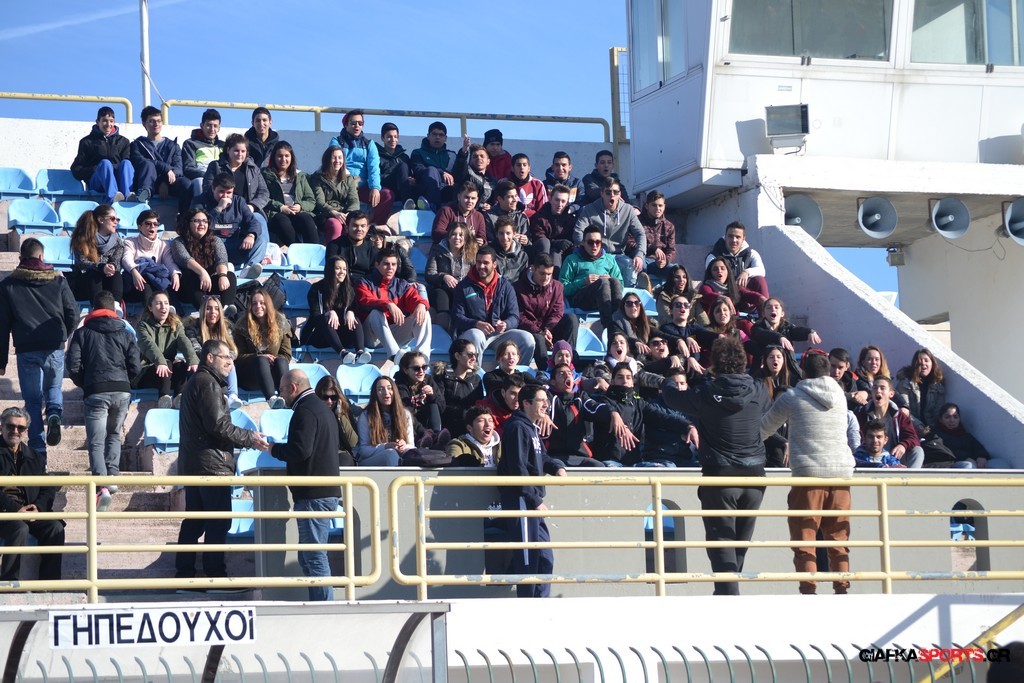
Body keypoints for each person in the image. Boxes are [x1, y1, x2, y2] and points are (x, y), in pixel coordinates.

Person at [661, 336, 770, 596]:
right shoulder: (759, 390)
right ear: (742, 362)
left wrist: (669, 376)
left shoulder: (705, 393)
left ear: (715, 364)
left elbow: (671, 397)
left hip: (720, 478)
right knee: (740, 544)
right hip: (755, 477)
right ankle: (726, 593)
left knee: (721, 541)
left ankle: (728, 598)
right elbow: (764, 397)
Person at [176, 339, 268, 590]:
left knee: (195, 521)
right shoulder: (208, 383)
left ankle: (184, 577)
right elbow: (218, 425)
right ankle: (215, 576)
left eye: (231, 358)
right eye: (225, 357)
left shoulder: (199, 382)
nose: (230, 362)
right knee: (217, 522)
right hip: (211, 465)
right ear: (210, 358)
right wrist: (250, 438)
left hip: (197, 463)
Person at [760, 351, 854, 595]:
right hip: (841, 475)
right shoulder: (840, 396)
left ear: (803, 372)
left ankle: (808, 591)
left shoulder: (792, 397)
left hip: (809, 475)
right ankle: (842, 590)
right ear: (828, 371)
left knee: (805, 541)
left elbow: (764, 429)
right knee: (839, 540)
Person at [0, 237, 78, 455]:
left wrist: (2, 361)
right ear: (42, 256)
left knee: (32, 401)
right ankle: (53, 414)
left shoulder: (8, 285)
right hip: (54, 346)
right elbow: (73, 313)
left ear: (20, 258)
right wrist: (63, 335)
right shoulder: (59, 281)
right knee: (53, 388)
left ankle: (38, 448)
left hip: (27, 348)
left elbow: (2, 325)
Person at [272, 369, 341, 601]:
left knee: (314, 556)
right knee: (308, 557)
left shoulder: (305, 410)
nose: (281, 395)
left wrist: (273, 449)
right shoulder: (322, 409)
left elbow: (299, 450)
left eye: (282, 389)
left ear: (293, 387)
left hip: (313, 494)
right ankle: (320, 604)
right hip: (322, 491)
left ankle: (325, 609)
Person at [67, 290, 141, 505]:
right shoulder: (126, 332)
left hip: (96, 390)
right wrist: (126, 382)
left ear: (93, 309)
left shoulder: (82, 333)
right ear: (114, 310)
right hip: (122, 390)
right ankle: (113, 477)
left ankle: (102, 487)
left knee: (96, 441)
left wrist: (87, 383)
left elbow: (73, 366)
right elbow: (136, 367)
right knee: (114, 434)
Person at [498, 384, 567, 598]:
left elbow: (541, 457)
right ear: (527, 403)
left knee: (545, 558)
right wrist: (534, 499)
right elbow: (517, 467)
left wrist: (557, 467)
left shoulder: (530, 428)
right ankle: (528, 605)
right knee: (527, 559)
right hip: (522, 499)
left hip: (532, 500)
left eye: (547, 400)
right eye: (541, 400)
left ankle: (540, 602)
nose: (546, 404)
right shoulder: (517, 427)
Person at [0, 406, 65, 583]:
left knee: (55, 528)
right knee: (19, 528)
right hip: (4, 513)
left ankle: (48, 586)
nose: (15, 431)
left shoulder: (35, 456)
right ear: (1, 427)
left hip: (28, 512)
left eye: (20, 428)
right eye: (10, 426)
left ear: (26, 431)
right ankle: (9, 584)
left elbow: (48, 487)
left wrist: (38, 508)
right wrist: (16, 509)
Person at [588, 363, 697, 467]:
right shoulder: (604, 401)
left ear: (632, 382)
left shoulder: (639, 403)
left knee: (664, 468)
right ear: (612, 381)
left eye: (628, 377)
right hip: (610, 462)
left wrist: (688, 426)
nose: (625, 380)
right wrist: (613, 413)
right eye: (620, 377)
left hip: (634, 463)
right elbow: (598, 408)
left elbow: (663, 418)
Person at [452, 246, 535, 363]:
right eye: (478, 262)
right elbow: (457, 317)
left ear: (494, 264)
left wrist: (506, 324)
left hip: (498, 335)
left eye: (486, 263)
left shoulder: (505, 286)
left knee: (527, 339)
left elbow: (515, 316)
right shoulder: (464, 286)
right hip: (471, 332)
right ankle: (475, 373)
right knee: (477, 335)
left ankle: (517, 373)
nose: (481, 266)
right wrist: (476, 324)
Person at [354, 246, 431, 361]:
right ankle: (394, 355)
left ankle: (422, 355)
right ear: (377, 264)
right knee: (376, 313)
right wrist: (388, 304)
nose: (390, 268)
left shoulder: (402, 284)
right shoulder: (363, 282)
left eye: (394, 264)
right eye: (386, 264)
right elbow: (365, 301)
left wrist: (421, 304)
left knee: (423, 312)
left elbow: (414, 298)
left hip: (395, 332)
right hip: (371, 336)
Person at [573, 176, 647, 288]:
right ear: (602, 193)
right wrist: (588, 248)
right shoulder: (589, 209)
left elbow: (640, 233)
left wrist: (640, 254)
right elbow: (578, 231)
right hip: (596, 255)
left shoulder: (628, 210)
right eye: (608, 192)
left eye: (615, 192)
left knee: (631, 265)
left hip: (618, 255)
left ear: (619, 194)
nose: (612, 195)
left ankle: (628, 295)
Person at [193, 173, 267, 279]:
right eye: (221, 192)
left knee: (260, 237)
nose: (225, 196)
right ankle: (223, 269)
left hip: (233, 244)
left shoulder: (239, 202)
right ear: (213, 188)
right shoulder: (200, 201)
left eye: (229, 193)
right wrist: (218, 208)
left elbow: (253, 222)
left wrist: (251, 235)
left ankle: (249, 268)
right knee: (213, 241)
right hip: (211, 246)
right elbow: (198, 225)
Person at [329, 109, 394, 226]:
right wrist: (349, 181)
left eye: (360, 123)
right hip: (343, 185)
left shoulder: (369, 144)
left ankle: (373, 227)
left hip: (362, 186)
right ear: (346, 124)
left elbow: (374, 167)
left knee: (387, 195)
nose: (357, 126)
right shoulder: (337, 141)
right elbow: (334, 163)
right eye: (353, 123)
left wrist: (374, 187)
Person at [135, 291, 198, 409]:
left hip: (168, 372)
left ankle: (180, 397)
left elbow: (184, 342)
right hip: (148, 370)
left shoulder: (176, 325)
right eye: (159, 303)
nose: (163, 307)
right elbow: (149, 345)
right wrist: (160, 362)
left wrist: (193, 360)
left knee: (181, 365)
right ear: (150, 307)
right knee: (168, 363)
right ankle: (164, 398)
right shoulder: (143, 326)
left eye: (166, 303)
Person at [303, 256, 370, 364]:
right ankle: (342, 353)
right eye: (338, 268)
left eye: (344, 269)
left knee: (355, 319)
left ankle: (360, 352)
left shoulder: (349, 289)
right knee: (326, 319)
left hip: (342, 335)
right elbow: (315, 316)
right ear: (330, 270)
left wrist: (351, 312)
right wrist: (328, 313)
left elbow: (354, 307)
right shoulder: (317, 289)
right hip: (322, 335)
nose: (342, 272)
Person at [515, 253, 578, 368]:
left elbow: (557, 312)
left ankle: (568, 364)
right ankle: (546, 371)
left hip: (550, 330)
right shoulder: (517, 288)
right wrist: (540, 331)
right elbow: (520, 316)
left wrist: (546, 329)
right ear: (533, 269)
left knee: (571, 319)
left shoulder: (557, 286)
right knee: (538, 338)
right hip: (531, 332)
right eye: (542, 273)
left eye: (549, 274)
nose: (546, 278)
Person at [233, 287, 292, 409]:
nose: (258, 306)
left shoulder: (280, 322)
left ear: (268, 304)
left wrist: (274, 359)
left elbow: (286, 354)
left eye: (262, 303)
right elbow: (238, 357)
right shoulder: (242, 325)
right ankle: (271, 399)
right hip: (250, 375)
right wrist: (258, 356)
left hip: (273, 374)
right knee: (261, 360)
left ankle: (285, 397)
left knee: (281, 361)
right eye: (254, 303)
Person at [171, 208, 238, 310]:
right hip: (189, 289)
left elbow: (221, 260)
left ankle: (225, 310)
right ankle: (205, 311)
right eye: (197, 221)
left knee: (229, 275)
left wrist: (222, 275)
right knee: (189, 274)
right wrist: (202, 272)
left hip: (208, 284)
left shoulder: (215, 240)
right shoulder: (178, 242)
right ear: (188, 223)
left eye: (205, 221)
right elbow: (185, 259)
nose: (202, 224)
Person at [184, 295, 243, 410]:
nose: (213, 312)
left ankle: (232, 395)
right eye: (208, 308)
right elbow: (196, 350)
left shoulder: (225, 328)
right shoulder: (193, 328)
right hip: (203, 365)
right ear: (202, 311)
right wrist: (218, 359)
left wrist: (226, 358)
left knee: (230, 363)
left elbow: (232, 350)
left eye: (216, 309)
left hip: (220, 365)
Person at [560, 225, 624, 329]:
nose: (594, 246)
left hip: (606, 298)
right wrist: (583, 281)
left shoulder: (609, 259)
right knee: (603, 283)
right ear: (583, 243)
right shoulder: (572, 260)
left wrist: (609, 279)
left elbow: (620, 284)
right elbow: (562, 288)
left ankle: (620, 321)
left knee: (614, 280)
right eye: (590, 242)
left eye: (598, 242)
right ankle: (608, 326)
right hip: (581, 299)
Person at [202, 133, 270, 230]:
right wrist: (221, 204)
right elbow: (208, 188)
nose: (240, 154)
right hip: (222, 210)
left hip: (249, 210)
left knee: (259, 223)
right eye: (236, 151)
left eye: (243, 151)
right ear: (228, 150)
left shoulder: (253, 168)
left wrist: (253, 206)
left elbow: (263, 192)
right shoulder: (215, 166)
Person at [854, 376, 925, 468]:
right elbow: (856, 438)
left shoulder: (899, 415)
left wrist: (903, 445)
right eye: (875, 388)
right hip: (868, 457)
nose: (878, 391)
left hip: (893, 457)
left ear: (891, 394)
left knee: (918, 451)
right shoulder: (862, 413)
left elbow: (913, 438)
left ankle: (908, 477)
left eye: (882, 388)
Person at [71, 106, 133, 205]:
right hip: (97, 184)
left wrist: (113, 168)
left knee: (126, 163)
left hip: (118, 183)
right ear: (97, 122)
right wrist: (96, 169)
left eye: (111, 121)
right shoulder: (87, 142)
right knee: (105, 163)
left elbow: (127, 168)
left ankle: (128, 197)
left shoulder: (123, 141)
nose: (108, 124)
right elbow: (76, 169)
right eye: (104, 121)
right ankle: (113, 198)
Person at [262, 141, 319, 245]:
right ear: (274, 157)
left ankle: (315, 250)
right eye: (280, 156)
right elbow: (263, 197)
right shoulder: (266, 175)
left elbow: (311, 200)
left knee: (307, 220)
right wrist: (281, 207)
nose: (283, 159)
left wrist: (300, 206)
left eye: (287, 156)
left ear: (291, 157)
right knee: (283, 221)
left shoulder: (300, 176)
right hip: (276, 213)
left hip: (297, 212)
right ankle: (298, 250)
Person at [129, 106, 188, 205]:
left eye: (159, 121)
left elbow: (178, 168)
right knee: (148, 164)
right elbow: (140, 162)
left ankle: (185, 214)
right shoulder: (137, 145)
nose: (156, 124)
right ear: (144, 124)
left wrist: (164, 182)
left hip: (168, 182)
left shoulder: (173, 146)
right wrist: (165, 168)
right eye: (151, 121)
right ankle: (143, 198)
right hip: (147, 181)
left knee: (186, 184)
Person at [121, 209, 182, 303]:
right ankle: (150, 309)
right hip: (135, 284)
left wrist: (175, 274)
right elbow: (126, 258)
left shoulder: (163, 245)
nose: (152, 226)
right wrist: (134, 272)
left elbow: (169, 263)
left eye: (155, 224)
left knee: (163, 283)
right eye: (148, 223)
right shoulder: (130, 241)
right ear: (139, 226)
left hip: (156, 283)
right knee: (145, 278)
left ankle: (170, 309)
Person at [425, 221, 476, 332]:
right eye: (453, 234)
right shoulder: (437, 250)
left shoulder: (471, 253)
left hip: (462, 289)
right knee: (443, 308)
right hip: (441, 288)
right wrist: (444, 276)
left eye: (461, 235)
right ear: (448, 237)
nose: (457, 238)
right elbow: (429, 274)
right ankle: (442, 337)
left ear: (466, 238)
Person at [749, 297, 821, 375]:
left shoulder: (787, 328)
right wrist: (779, 338)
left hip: (787, 370)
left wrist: (810, 332)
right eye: (769, 308)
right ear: (763, 313)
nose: (773, 309)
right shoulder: (757, 328)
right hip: (762, 371)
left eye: (776, 307)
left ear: (782, 313)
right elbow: (763, 334)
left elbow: (796, 331)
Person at [69, 204, 125, 302]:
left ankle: (116, 306)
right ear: (101, 220)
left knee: (116, 274)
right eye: (112, 219)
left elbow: (116, 261)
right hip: (85, 283)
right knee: (93, 273)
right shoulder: (83, 238)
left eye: (117, 219)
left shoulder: (117, 240)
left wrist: (112, 266)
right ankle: (98, 307)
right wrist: (101, 267)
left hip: (106, 281)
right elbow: (82, 263)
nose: (116, 222)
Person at [356, 376, 415, 466]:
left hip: (399, 456)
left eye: (389, 388)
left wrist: (404, 446)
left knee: (412, 454)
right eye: (380, 389)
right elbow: (363, 450)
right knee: (390, 454)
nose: (386, 392)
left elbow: (411, 445)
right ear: (375, 394)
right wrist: (385, 446)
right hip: (370, 460)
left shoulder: (405, 414)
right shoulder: (366, 416)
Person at [704, 221, 769, 301]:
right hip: (724, 293)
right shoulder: (713, 256)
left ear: (743, 239)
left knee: (759, 280)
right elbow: (711, 277)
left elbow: (761, 271)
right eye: (730, 236)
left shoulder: (751, 253)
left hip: (744, 291)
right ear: (725, 237)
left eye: (738, 237)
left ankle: (766, 307)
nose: (734, 240)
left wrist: (746, 272)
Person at [394, 351, 448, 445]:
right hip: (411, 427)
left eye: (424, 367)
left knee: (433, 403)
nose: (421, 371)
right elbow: (407, 412)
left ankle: (436, 434)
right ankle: (426, 437)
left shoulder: (428, 380)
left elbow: (442, 407)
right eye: (416, 368)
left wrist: (433, 395)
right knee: (406, 412)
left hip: (427, 423)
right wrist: (423, 431)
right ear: (406, 370)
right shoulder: (400, 385)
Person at [311, 145, 361, 243]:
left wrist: (349, 214)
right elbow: (320, 202)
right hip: (325, 214)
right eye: (334, 158)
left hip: (344, 213)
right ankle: (332, 251)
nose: (337, 161)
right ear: (327, 159)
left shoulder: (348, 178)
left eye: (340, 157)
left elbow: (354, 200)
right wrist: (334, 212)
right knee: (335, 225)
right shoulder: (317, 178)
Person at [895, 348, 946, 438]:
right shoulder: (905, 384)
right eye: (919, 361)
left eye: (926, 360)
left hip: (932, 429)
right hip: (911, 429)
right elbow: (904, 410)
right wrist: (919, 427)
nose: (923, 363)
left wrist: (932, 429)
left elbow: (938, 412)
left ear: (932, 363)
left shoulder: (937, 386)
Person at [437, 339, 485, 434]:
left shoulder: (476, 379)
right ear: (457, 356)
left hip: (470, 426)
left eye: (476, 355)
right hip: (449, 425)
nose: (474, 358)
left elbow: (479, 405)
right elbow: (440, 405)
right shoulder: (443, 377)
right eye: (470, 355)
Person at [409, 121, 457, 211]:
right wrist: (442, 172)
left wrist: (463, 154)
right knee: (431, 170)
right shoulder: (418, 153)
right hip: (425, 187)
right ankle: (432, 208)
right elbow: (418, 169)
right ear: (428, 136)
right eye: (434, 134)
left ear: (445, 138)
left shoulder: (452, 155)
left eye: (441, 135)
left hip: (446, 189)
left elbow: (460, 172)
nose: (437, 137)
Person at [699, 256, 767, 317]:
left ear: (728, 272)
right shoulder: (706, 287)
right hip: (715, 322)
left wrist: (762, 299)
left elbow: (747, 294)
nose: (719, 271)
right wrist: (723, 298)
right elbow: (707, 295)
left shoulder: (733, 287)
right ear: (710, 273)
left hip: (733, 321)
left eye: (722, 268)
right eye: (715, 269)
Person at [529, 184, 577, 269]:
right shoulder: (539, 217)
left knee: (556, 252)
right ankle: (542, 270)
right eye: (557, 200)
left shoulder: (571, 219)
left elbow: (572, 240)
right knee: (546, 243)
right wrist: (555, 242)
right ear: (550, 199)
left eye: (563, 201)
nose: (559, 204)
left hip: (562, 253)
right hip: (541, 252)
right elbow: (538, 238)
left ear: (567, 203)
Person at [182, 108, 224, 203]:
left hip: (221, 179)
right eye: (209, 125)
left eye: (215, 126)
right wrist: (208, 176)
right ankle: (200, 209)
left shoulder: (223, 146)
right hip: (201, 178)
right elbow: (188, 168)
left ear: (219, 128)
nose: (212, 129)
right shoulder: (190, 143)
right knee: (200, 182)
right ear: (202, 125)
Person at [315, 375, 358, 467]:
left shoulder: (345, 411)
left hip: (340, 453)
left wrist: (340, 416)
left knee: (345, 460)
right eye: (325, 397)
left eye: (333, 397)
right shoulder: (313, 413)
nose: (329, 401)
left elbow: (352, 442)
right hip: (320, 454)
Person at [934, 403, 991, 468]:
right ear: (940, 419)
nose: (952, 420)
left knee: (996, 463)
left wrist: (982, 457)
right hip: (949, 464)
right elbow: (943, 452)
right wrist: (965, 457)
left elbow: (979, 449)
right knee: (968, 465)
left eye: (955, 417)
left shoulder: (966, 436)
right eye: (947, 417)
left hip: (972, 462)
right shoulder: (935, 435)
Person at [325, 210, 377, 281]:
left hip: (363, 285)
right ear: (346, 228)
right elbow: (331, 272)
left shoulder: (372, 249)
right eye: (355, 226)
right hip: (341, 283)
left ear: (367, 228)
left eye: (363, 226)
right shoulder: (334, 246)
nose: (359, 229)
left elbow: (374, 275)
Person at [637, 190, 676, 278]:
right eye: (654, 205)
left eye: (660, 205)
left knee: (676, 271)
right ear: (647, 206)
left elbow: (671, 250)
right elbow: (630, 243)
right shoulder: (636, 222)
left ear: (664, 206)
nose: (658, 208)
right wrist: (653, 248)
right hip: (642, 259)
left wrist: (665, 261)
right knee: (641, 265)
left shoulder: (669, 226)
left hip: (659, 263)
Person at [376, 122, 415, 205]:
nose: (393, 140)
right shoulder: (377, 157)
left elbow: (409, 175)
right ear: (382, 138)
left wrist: (411, 179)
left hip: (403, 188)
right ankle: (408, 202)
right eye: (389, 137)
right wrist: (397, 177)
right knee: (402, 166)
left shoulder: (404, 157)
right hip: (387, 187)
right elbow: (376, 177)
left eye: (395, 137)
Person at [485, 180, 531, 245]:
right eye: (510, 197)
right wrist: (509, 239)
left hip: (518, 250)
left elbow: (528, 244)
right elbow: (489, 242)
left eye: (516, 196)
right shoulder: (489, 216)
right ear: (500, 199)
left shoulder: (522, 217)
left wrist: (526, 241)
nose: (515, 200)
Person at [610, 291, 655, 357]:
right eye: (629, 303)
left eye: (636, 303)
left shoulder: (647, 324)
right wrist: (636, 342)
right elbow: (623, 337)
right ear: (623, 307)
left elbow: (660, 334)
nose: (633, 305)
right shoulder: (615, 324)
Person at [453, 143, 495, 211]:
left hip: (483, 214)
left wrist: (489, 205)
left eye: (482, 156)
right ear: (470, 160)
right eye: (475, 156)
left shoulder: (493, 182)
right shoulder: (466, 173)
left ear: (488, 161)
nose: (479, 158)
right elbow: (460, 165)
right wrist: (463, 152)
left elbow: (494, 201)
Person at [507, 153, 547, 218]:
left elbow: (543, 210)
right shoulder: (505, 183)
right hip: (510, 221)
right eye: (518, 165)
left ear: (529, 168)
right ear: (512, 168)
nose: (522, 167)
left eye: (524, 165)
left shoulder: (538, 184)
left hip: (533, 221)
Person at [493, 217, 529, 282]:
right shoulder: (490, 254)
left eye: (508, 233)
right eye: (501, 233)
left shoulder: (522, 256)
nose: (505, 237)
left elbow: (523, 281)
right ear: (496, 234)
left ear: (514, 234)